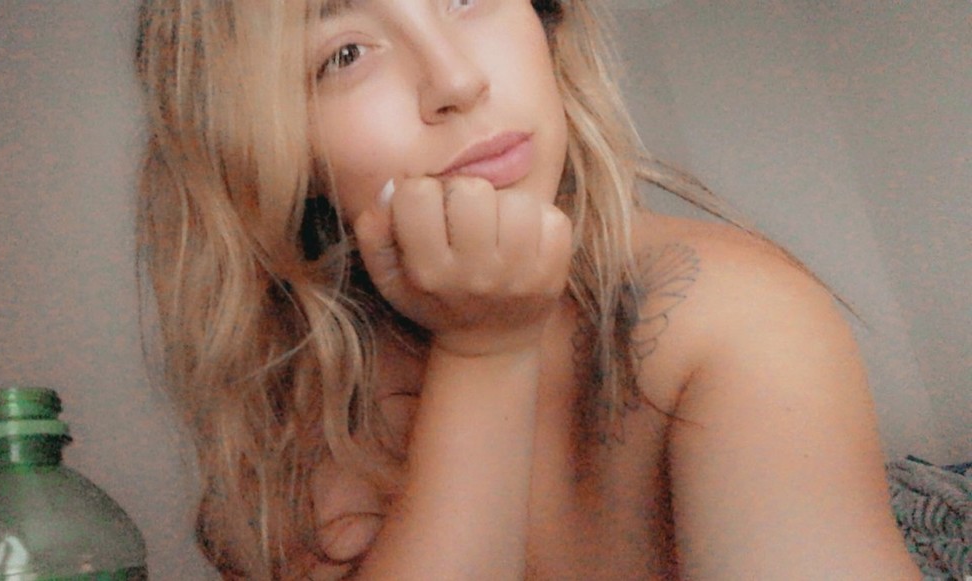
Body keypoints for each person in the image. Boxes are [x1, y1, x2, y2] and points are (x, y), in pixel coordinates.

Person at [134, 1, 921, 579]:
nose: (456, 79)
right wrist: (484, 352)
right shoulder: (286, 415)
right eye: (345, 53)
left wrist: (485, 346)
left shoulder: (734, 314)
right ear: (263, 146)